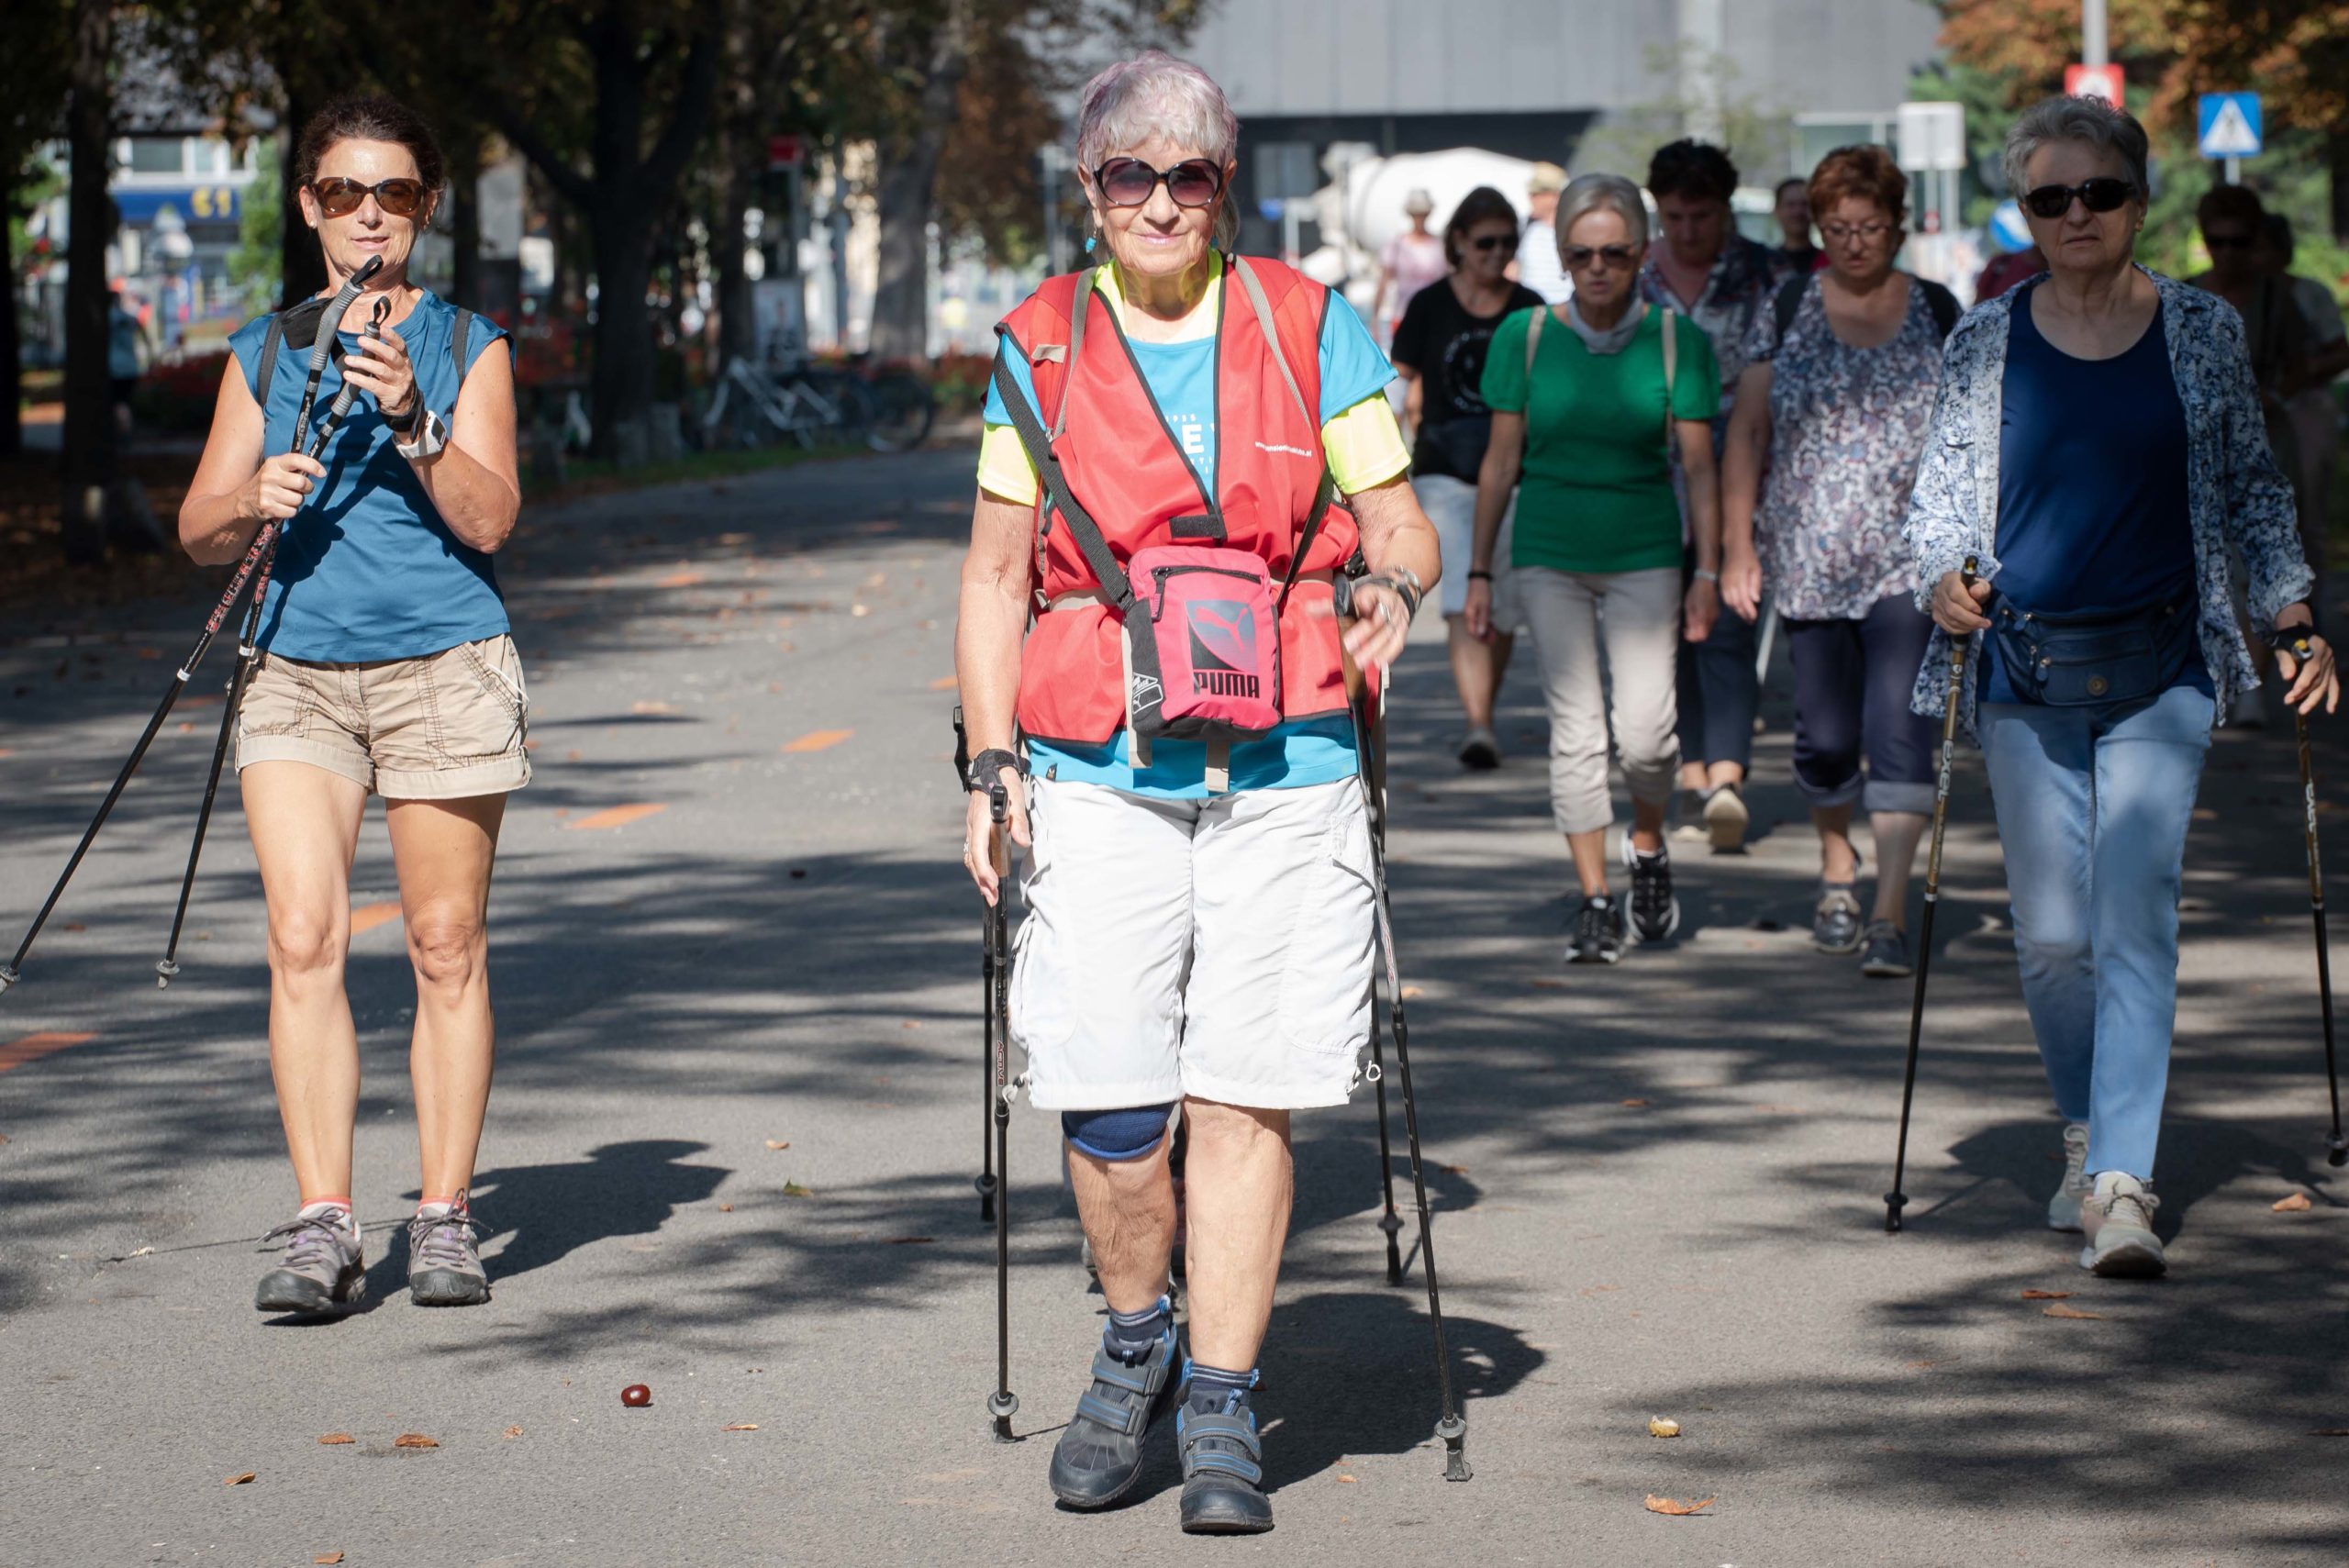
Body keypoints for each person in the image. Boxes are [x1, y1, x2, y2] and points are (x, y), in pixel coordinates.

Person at [958, 50, 1436, 1535]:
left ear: (1227, 186)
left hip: (1287, 760)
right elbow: (989, 575)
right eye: (1130, 174)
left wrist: (1395, 590)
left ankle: (1221, 1392)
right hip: (1098, 767)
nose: (1161, 200)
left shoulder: (1311, 330)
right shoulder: (1037, 347)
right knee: (1107, 1098)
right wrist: (986, 761)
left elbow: (1400, 523)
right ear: (1090, 189)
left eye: (1192, 175)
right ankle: (1135, 1334)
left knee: (1242, 1088)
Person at [1906, 95, 2334, 1280]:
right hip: (2025, 662)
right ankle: (2085, 1125)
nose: (2077, 214)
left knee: (2135, 914)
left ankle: (2121, 1184)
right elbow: (1938, 496)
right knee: (2051, 934)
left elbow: (2252, 483)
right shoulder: (1986, 339)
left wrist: (2292, 610)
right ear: (2028, 216)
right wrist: (1941, 577)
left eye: (2099, 193)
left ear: (2141, 202)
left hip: (2167, 661)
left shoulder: (2197, 329)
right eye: (2051, 198)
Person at [176, 95, 523, 1314]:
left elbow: (490, 519)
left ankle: (442, 1217)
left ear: (425, 209)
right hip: (296, 672)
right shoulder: (266, 350)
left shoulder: (468, 344)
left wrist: (413, 422)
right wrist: (245, 499)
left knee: (444, 946)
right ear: (308, 204)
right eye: (342, 193)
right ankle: (324, 1221)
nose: (366, 216)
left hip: (442, 665)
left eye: (393, 196)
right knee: (302, 938)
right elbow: (197, 529)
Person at [1468, 173, 1723, 965]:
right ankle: (1595, 898)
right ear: (1564, 256)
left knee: (1647, 737)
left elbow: (1702, 468)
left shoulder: (1679, 341)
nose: (1598, 267)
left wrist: (1709, 568)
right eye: (1581, 253)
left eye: (1615, 252)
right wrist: (1478, 570)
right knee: (1576, 730)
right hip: (1548, 549)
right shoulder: (1526, 337)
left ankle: (1646, 843)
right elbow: (1500, 460)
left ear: (1642, 254)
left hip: (1645, 549)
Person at [1722, 146, 1957, 979]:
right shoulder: (1787, 305)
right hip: (1810, 556)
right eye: (1838, 229)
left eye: (1870, 227)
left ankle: (1889, 912)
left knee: (1900, 732)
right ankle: (1835, 867)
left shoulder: (1937, 307)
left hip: (1910, 563)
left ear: (1897, 224)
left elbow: (1968, 440)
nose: (1855, 243)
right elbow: (1747, 431)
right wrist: (1738, 546)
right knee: (1824, 737)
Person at [1642, 139, 1795, 851]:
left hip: (1743, 474)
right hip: (1647, 476)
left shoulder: (1767, 274)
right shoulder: (1634, 276)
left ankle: (1725, 776)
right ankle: (1695, 767)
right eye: (1674, 215)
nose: (1688, 229)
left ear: (1726, 211)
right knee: (1666, 626)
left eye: (1702, 215)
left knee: (1729, 621)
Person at [1390, 186, 1544, 768]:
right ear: (1459, 242)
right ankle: (1479, 723)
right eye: (1485, 242)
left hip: (1516, 476)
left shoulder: (1530, 307)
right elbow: (1396, 377)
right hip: (1444, 471)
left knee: (1499, 605)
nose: (1496, 253)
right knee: (1461, 597)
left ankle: (1486, 704)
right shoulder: (1431, 305)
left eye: (1507, 242)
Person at [2260, 213, 2349, 616]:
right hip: (2261, 416)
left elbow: (2337, 350)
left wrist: (2292, 380)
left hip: (2303, 413)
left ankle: (2312, 620)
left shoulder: (2307, 294)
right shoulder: (2222, 297)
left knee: (2306, 520)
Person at [1375, 188, 1448, 337]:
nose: (1420, 218)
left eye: (1423, 213)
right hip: (1403, 316)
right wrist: (1375, 316)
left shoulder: (1439, 245)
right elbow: (1384, 280)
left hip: (1434, 318)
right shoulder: (1397, 243)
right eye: (1416, 214)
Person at [1516, 161, 1573, 306]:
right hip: (1531, 312)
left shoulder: (1576, 231)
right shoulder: (1524, 227)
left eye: (1537, 194)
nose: (1531, 199)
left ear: (1555, 196)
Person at [107, 288, 150, 439]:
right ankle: (127, 430)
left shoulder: (106, 319)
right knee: (127, 401)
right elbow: (145, 336)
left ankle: (123, 432)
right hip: (130, 367)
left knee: (118, 402)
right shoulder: (129, 318)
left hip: (113, 368)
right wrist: (149, 356)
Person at [1773, 175, 1820, 273]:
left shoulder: (1832, 262)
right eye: (1791, 205)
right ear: (1777, 210)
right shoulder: (1765, 264)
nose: (1798, 211)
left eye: (1804, 204)